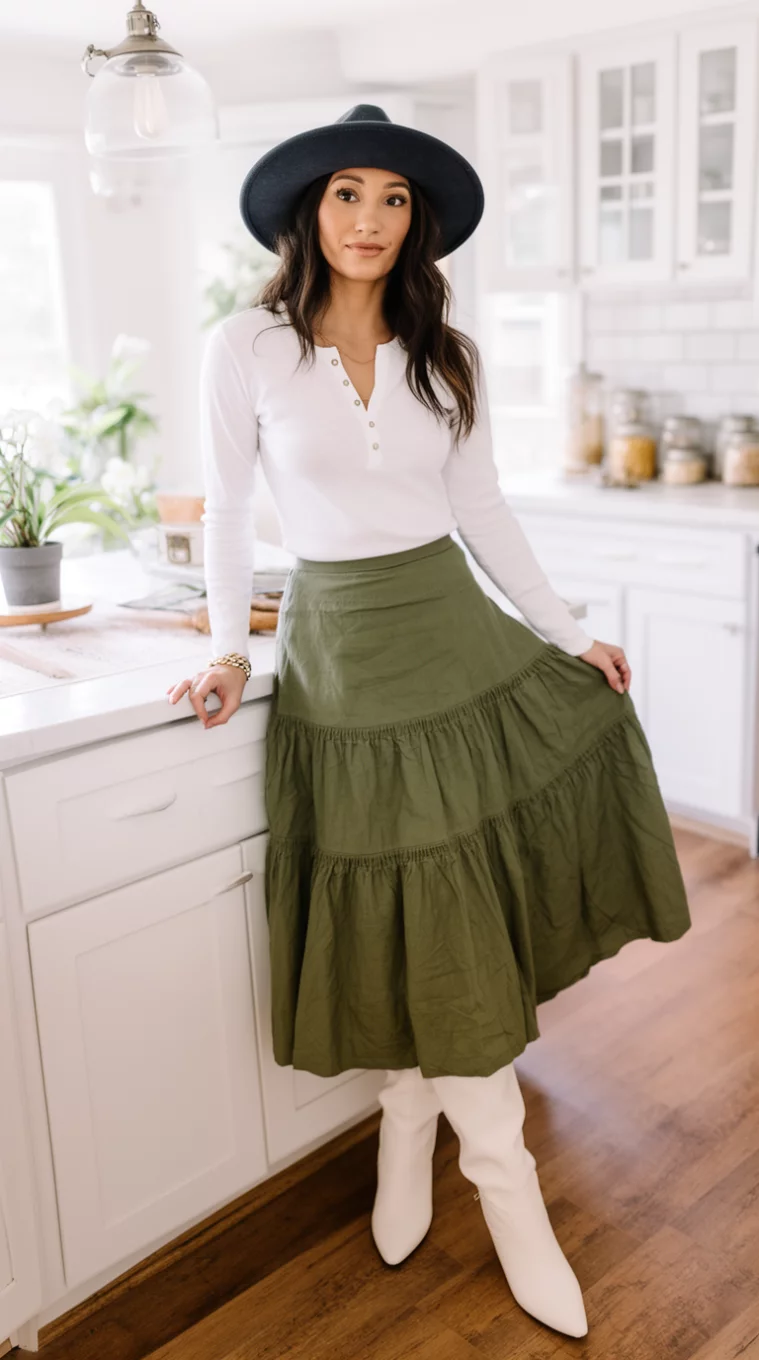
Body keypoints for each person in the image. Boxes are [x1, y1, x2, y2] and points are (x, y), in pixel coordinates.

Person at [166, 104, 692, 1340]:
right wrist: (229, 651)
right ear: (309, 211)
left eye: (393, 199)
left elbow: (484, 508)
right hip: (343, 660)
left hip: (454, 638)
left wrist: (566, 633)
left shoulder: (446, 353)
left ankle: (494, 1180)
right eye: (348, 194)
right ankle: (415, 1129)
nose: (369, 219)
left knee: (450, 910)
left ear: (420, 222)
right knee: (409, 904)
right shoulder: (245, 345)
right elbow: (227, 512)